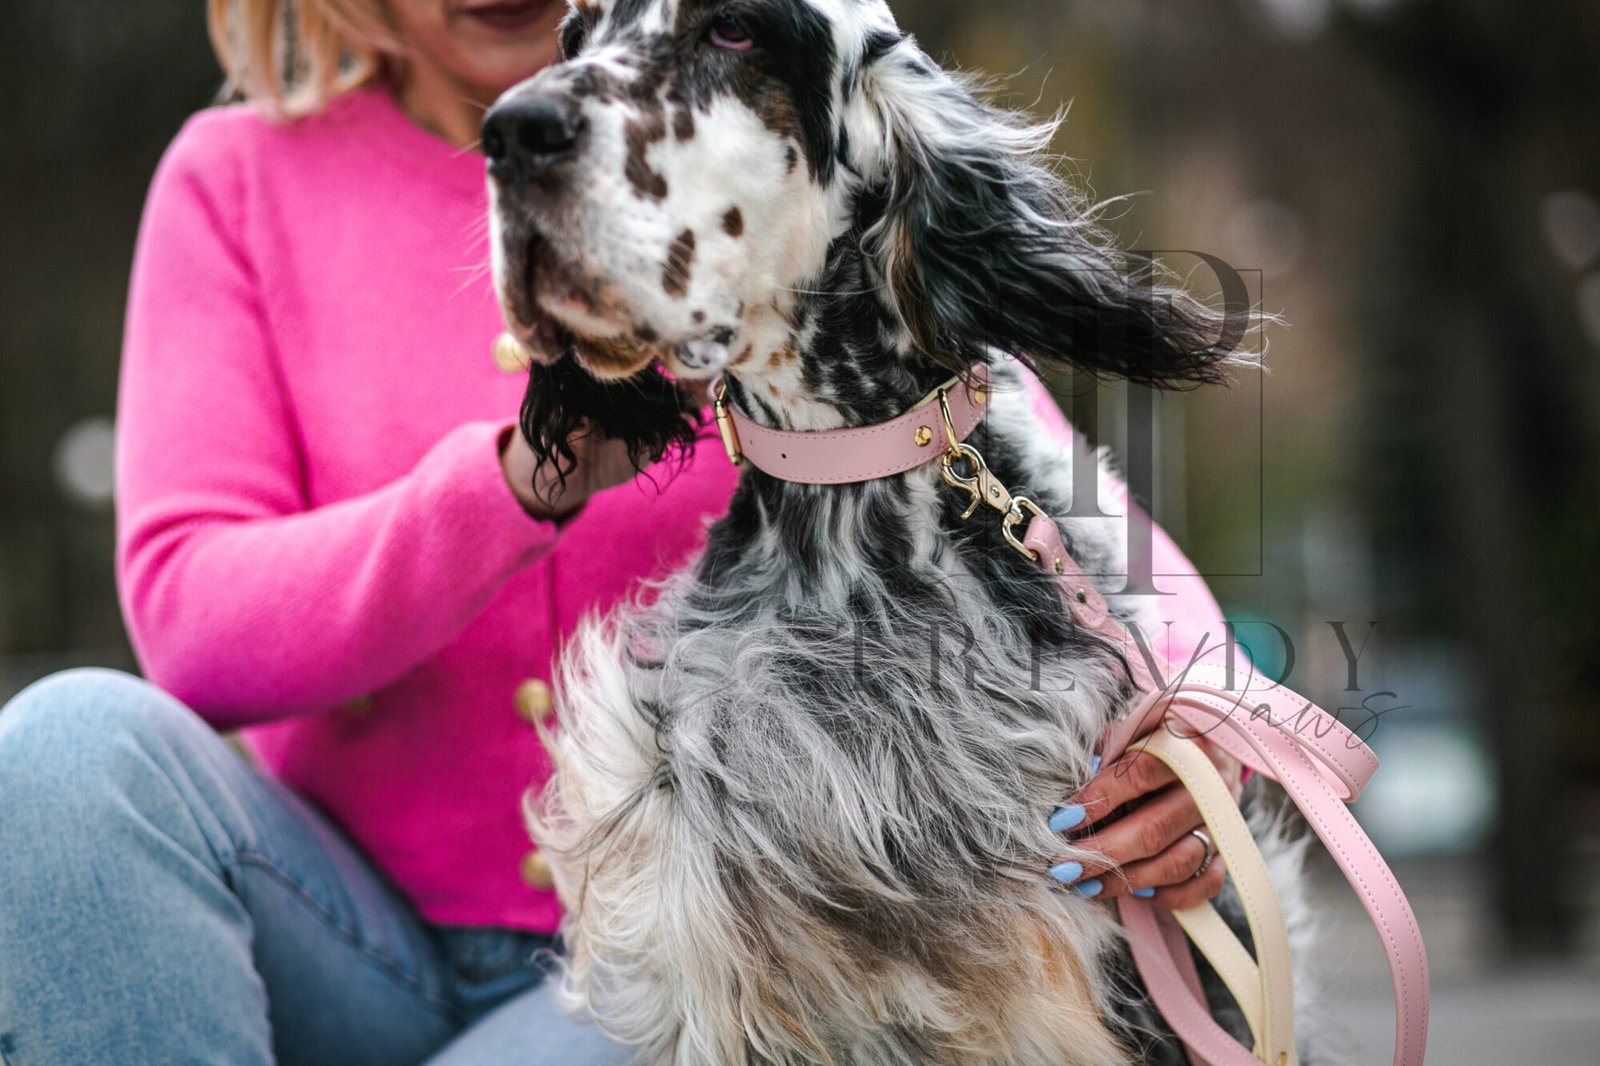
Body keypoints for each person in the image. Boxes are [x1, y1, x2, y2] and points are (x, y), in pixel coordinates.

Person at [0, 1, 1243, 1063]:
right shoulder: (238, 181)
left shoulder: (771, 144)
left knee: (700, 965)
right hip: (341, 933)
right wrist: (518, 480)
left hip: (704, 932)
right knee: (66, 749)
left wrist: (1201, 738)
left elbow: (1042, 484)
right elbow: (190, 622)